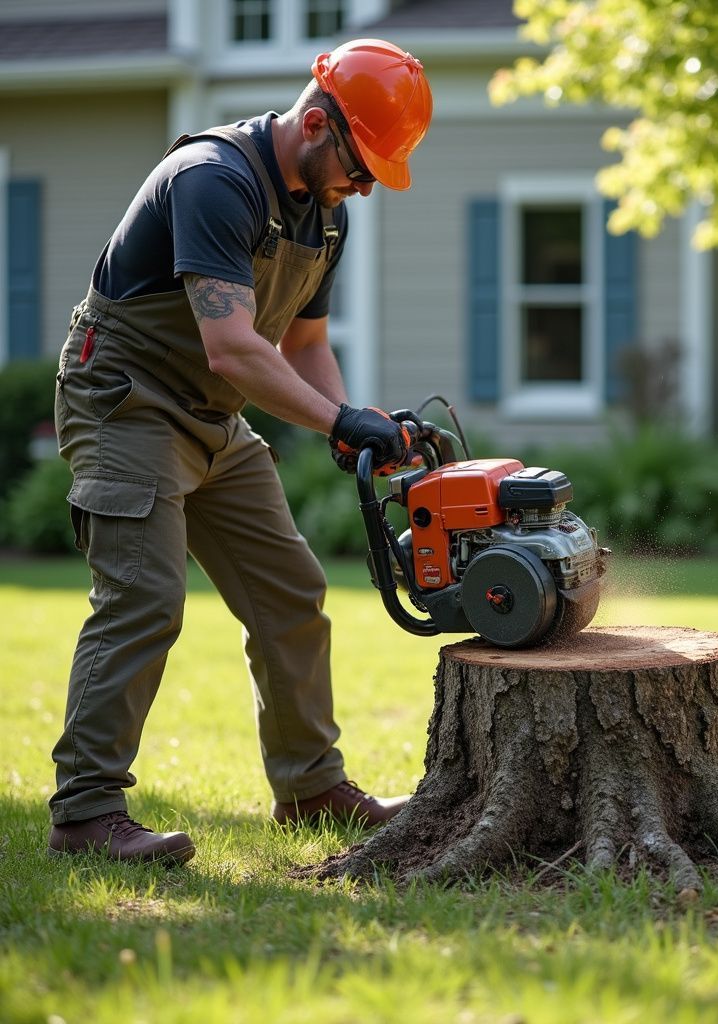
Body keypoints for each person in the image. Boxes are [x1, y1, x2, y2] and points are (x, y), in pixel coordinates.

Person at [46, 38, 433, 865]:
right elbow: (232, 346)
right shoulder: (215, 179)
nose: (364, 185)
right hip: (126, 400)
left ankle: (310, 790)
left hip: (215, 416)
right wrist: (336, 422)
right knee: (145, 596)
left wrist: (355, 419)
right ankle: (85, 812)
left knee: (292, 590)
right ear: (318, 123)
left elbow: (302, 344)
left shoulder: (328, 211)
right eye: (361, 165)